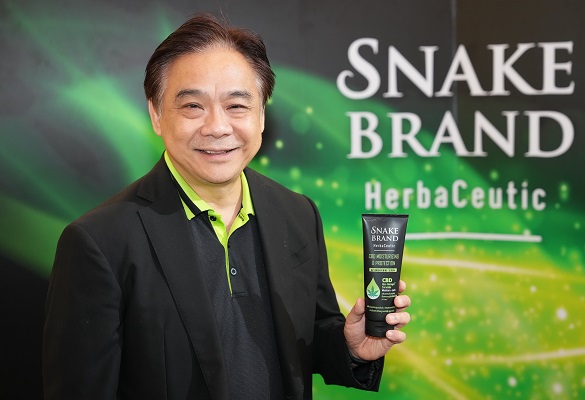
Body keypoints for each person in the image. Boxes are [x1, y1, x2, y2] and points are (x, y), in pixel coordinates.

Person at [42, 13, 411, 400]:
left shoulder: (297, 214)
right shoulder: (100, 241)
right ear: (156, 114)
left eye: (237, 106)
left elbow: (307, 339)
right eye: (193, 106)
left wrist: (351, 347)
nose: (217, 127)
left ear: (261, 114)